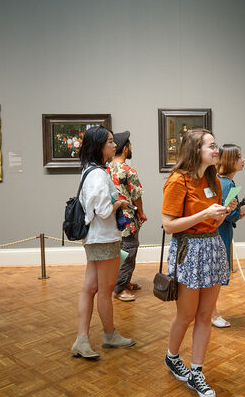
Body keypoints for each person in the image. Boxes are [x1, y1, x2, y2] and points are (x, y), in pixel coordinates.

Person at [162, 129, 237, 397]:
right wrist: (205, 212)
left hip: (213, 246)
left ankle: (196, 372)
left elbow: (212, 220)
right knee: (186, 315)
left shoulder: (213, 179)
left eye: (216, 146)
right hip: (189, 252)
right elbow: (168, 225)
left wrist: (221, 213)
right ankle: (172, 357)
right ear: (196, 150)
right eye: (212, 146)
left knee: (205, 316)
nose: (217, 151)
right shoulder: (177, 181)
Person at [70, 126, 136, 359]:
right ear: (99, 145)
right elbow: (103, 211)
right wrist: (119, 203)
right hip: (104, 238)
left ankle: (82, 339)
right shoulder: (98, 174)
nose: (114, 145)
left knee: (89, 289)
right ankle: (109, 335)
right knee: (105, 291)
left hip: (95, 238)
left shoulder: (91, 170)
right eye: (109, 141)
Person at [109, 131, 148, 302]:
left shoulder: (106, 168)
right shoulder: (128, 170)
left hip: (111, 218)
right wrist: (141, 212)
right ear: (125, 149)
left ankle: (126, 281)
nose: (132, 148)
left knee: (120, 251)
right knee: (129, 251)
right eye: (130, 145)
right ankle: (121, 288)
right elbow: (136, 195)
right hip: (127, 218)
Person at [211, 144, 245, 328]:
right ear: (230, 161)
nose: (243, 160)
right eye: (239, 157)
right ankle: (212, 314)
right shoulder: (227, 183)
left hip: (219, 231)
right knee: (217, 274)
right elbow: (227, 212)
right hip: (220, 232)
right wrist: (239, 212)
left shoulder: (221, 180)